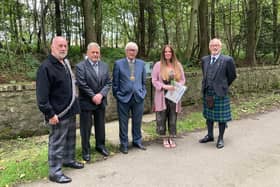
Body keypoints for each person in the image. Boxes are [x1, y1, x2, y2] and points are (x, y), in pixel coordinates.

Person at [36, 36, 84, 184]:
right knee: (56, 142)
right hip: (57, 113)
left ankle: (68, 159)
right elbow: (42, 96)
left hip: (70, 110)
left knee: (70, 139)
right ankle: (55, 172)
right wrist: (49, 113)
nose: (63, 48)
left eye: (65, 46)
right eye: (60, 46)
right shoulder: (46, 67)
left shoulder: (65, 63)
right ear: (52, 47)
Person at [76, 42, 111, 161]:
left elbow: (108, 82)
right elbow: (82, 84)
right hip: (86, 102)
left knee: (100, 126)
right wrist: (93, 96)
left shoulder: (104, 66)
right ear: (88, 53)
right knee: (86, 128)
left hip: (100, 101)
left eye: (97, 52)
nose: (95, 54)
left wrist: (101, 95)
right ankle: (86, 150)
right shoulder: (81, 66)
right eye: (93, 52)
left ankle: (100, 146)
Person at [199, 38, 237, 149]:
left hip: (220, 93)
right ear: (209, 47)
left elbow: (232, 76)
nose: (215, 47)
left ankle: (220, 138)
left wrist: (223, 85)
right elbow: (205, 74)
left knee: (221, 117)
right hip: (208, 91)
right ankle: (210, 135)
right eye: (212, 45)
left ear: (220, 47)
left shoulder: (227, 60)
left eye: (217, 45)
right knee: (209, 116)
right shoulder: (205, 59)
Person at [112, 42, 147, 154]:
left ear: (136, 52)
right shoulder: (118, 64)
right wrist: (117, 95)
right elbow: (115, 83)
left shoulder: (142, 64)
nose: (132, 52)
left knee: (137, 121)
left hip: (138, 97)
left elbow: (143, 81)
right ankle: (124, 144)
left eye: (134, 50)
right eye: (130, 50)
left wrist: (143, 92)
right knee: (123, 122)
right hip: (123, 98)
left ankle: (137, 141)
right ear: (126, 51)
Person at [151, 45, 186, 148]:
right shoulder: (158, 65)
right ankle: (164, 138)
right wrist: (165, 86)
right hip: (162, 96)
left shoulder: (178, 65)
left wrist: (177, 86)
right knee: (161, 118)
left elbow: (183, 79)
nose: (167, 53)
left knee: (172, 118)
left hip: (174, 96)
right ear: (163, 53)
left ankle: (171, 137)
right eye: (165, 52)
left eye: (169, 52)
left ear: (172, 53)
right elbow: (154, 80)